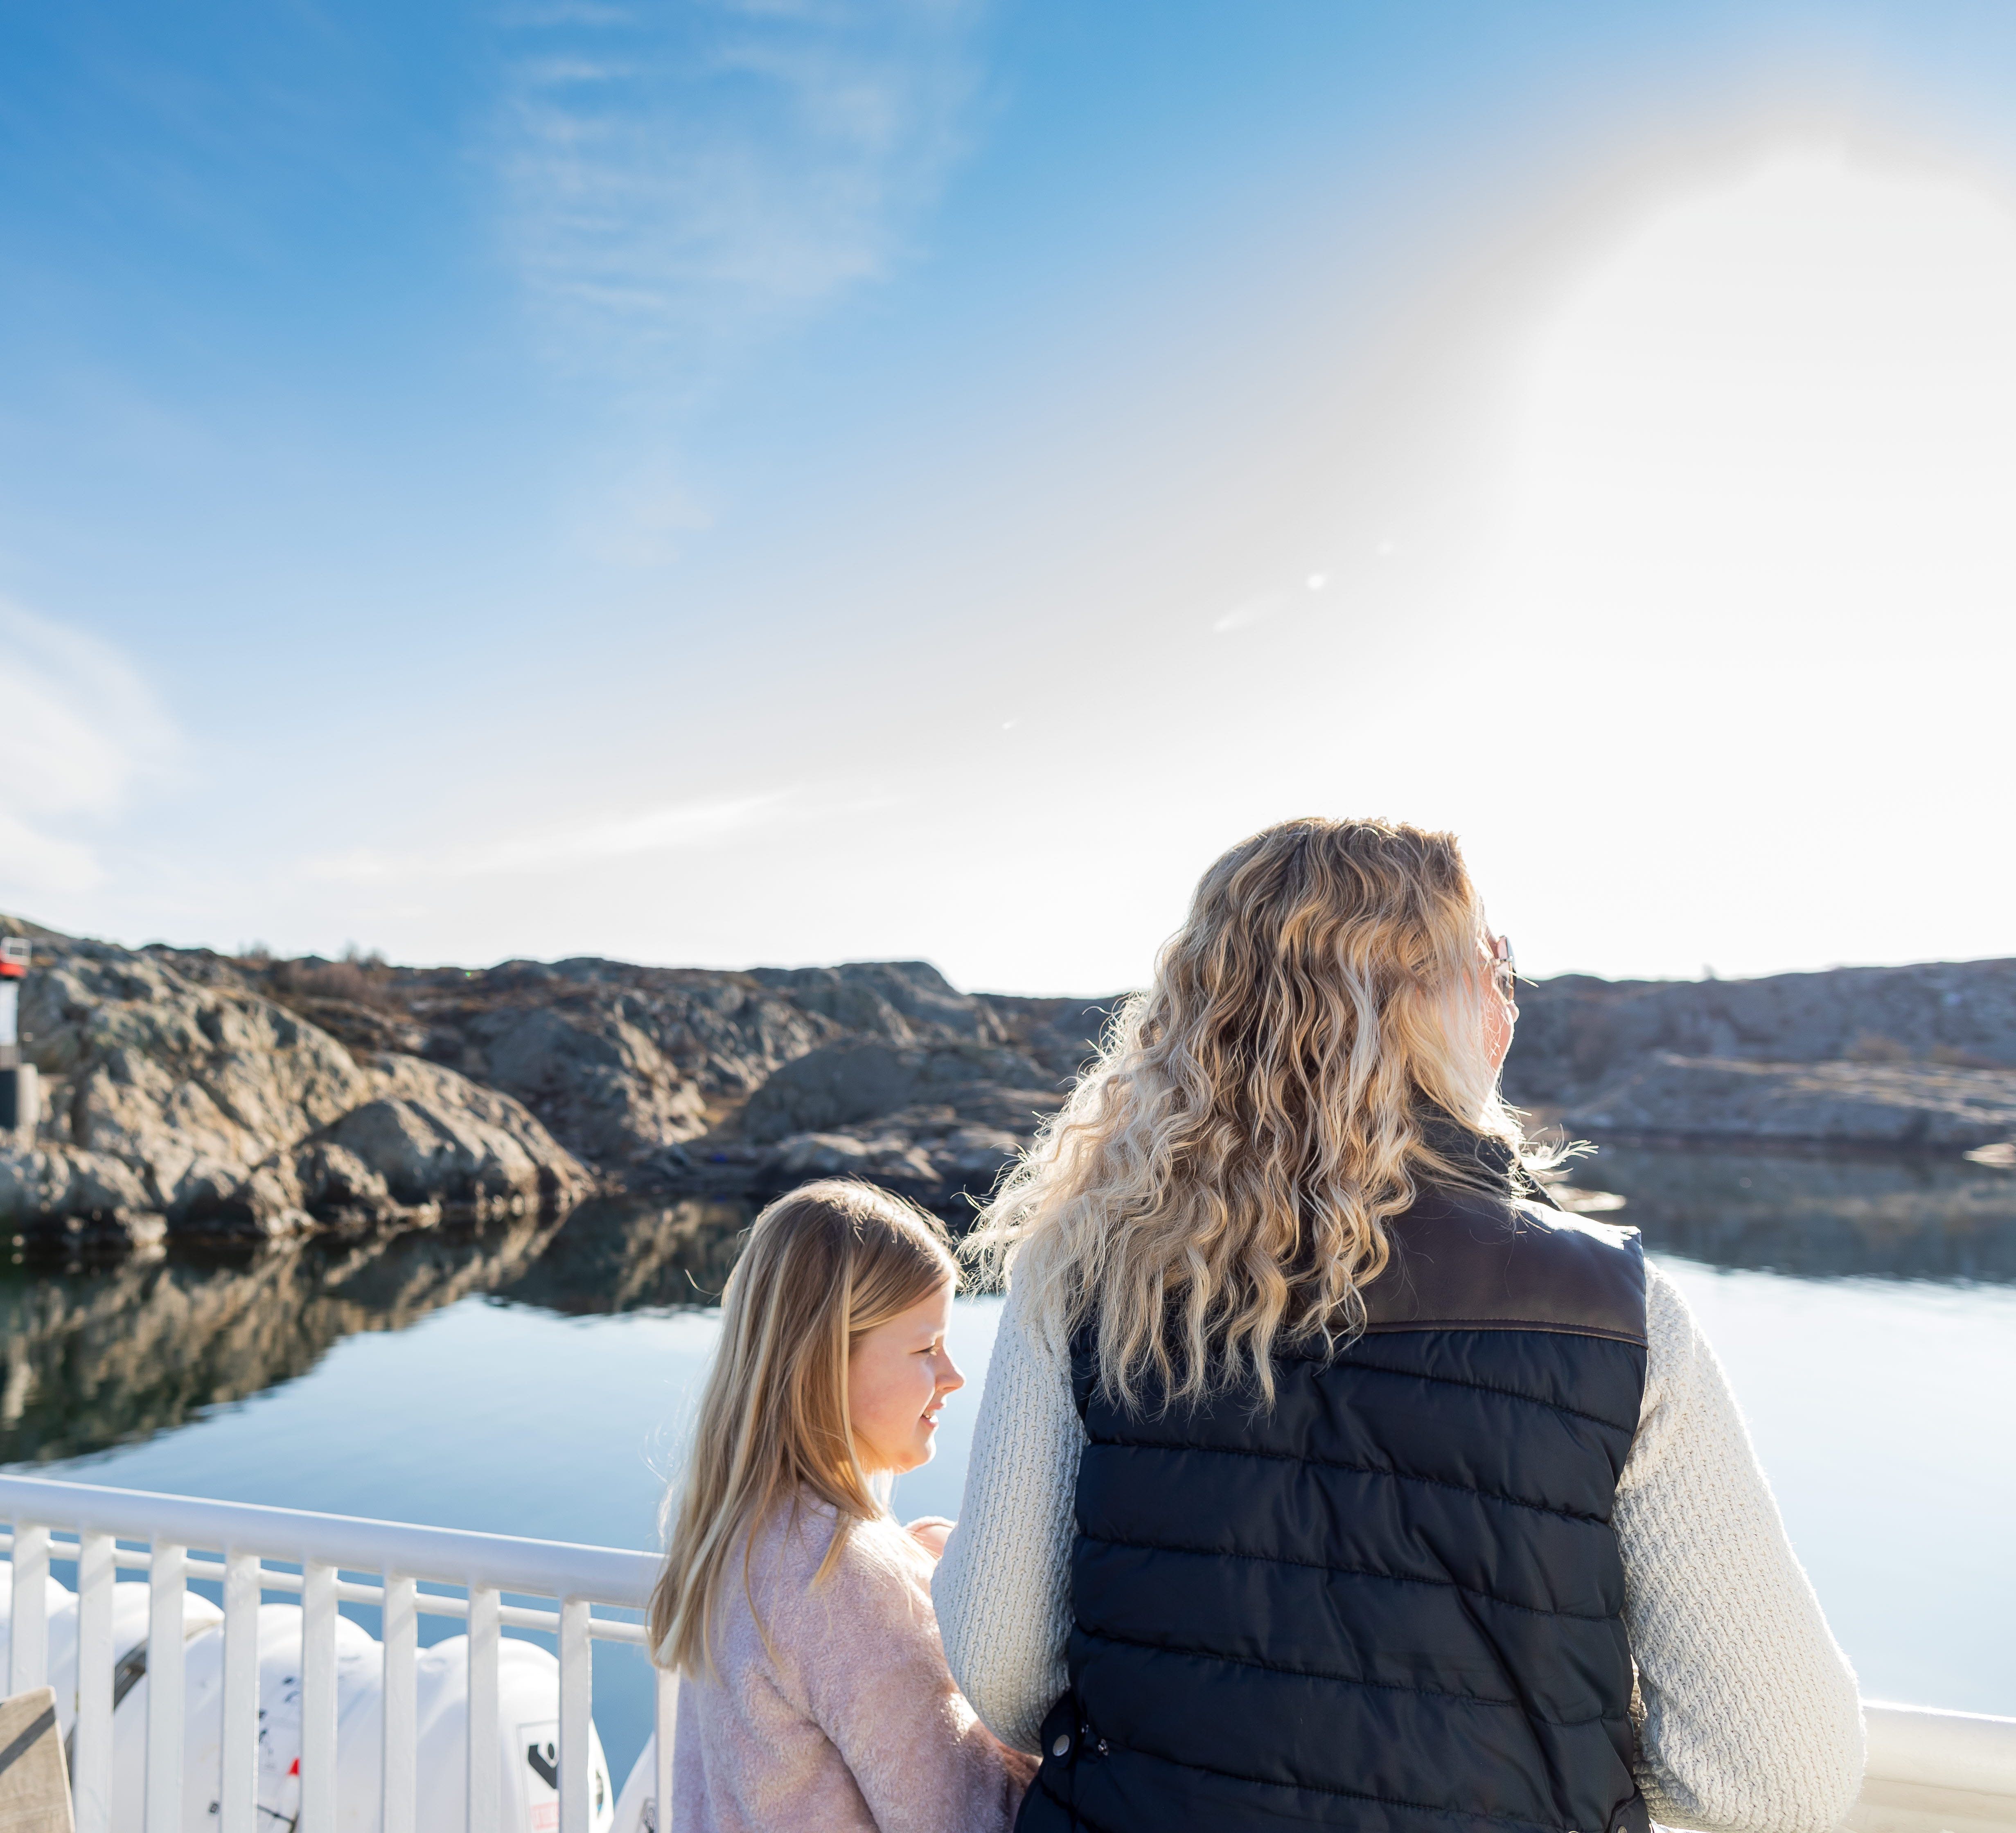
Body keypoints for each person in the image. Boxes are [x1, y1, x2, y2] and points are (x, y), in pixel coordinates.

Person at [933, 817, 1864, 1833]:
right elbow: (1779, 1780)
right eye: (1491, 963)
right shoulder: (1614, 1311)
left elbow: (1004, 1671)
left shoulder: (1082, 1277)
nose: (1508, 998)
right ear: (1429, 1007)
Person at [648, 1178, 1035, 1832]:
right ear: (826, 1362)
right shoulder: (843, 1574)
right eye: (925, 1348)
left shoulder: (737, 1539)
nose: (953, 1375)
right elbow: (971, 1821)